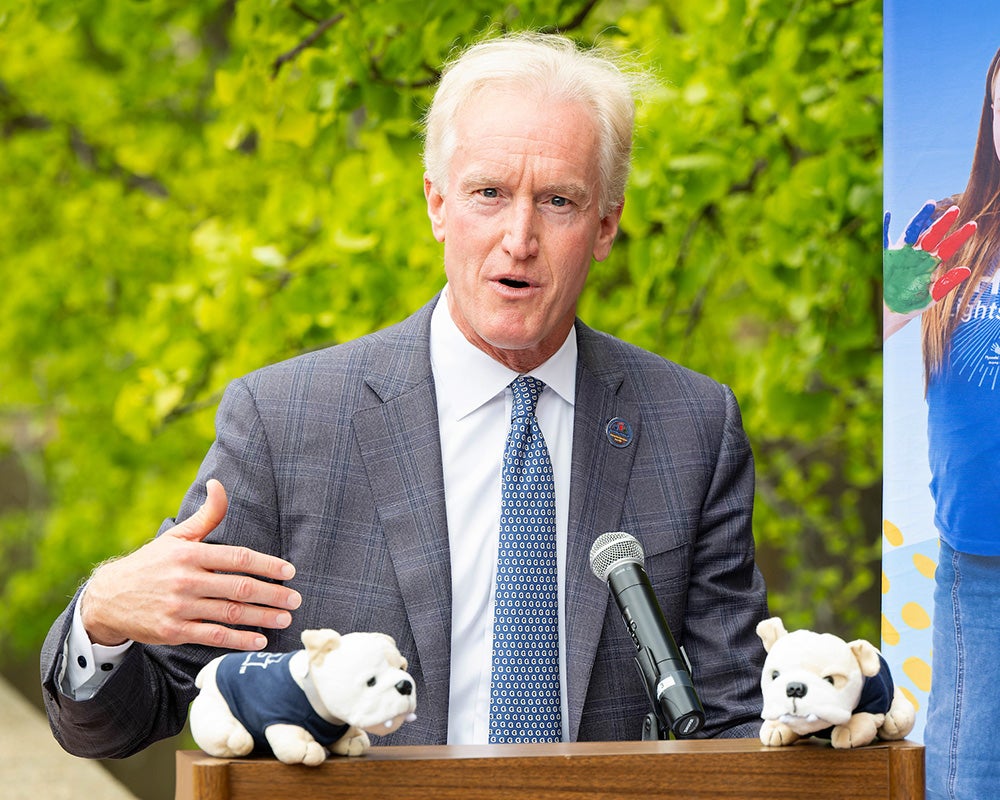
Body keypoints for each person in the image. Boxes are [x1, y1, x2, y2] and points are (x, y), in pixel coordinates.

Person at [41, 32, 768, 757]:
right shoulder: (287, 422)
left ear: (605, 225)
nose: (519, 237)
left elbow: (737, 721)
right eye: (489, 193)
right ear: (437, 205)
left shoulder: (693, 428)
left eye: (558, 201)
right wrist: (102, 618)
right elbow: (133, 715)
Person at [883, 45, 1000, 800]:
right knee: (969, 770)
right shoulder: (950, 229)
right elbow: (871, 324)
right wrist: (896, 285)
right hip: (979, 561)